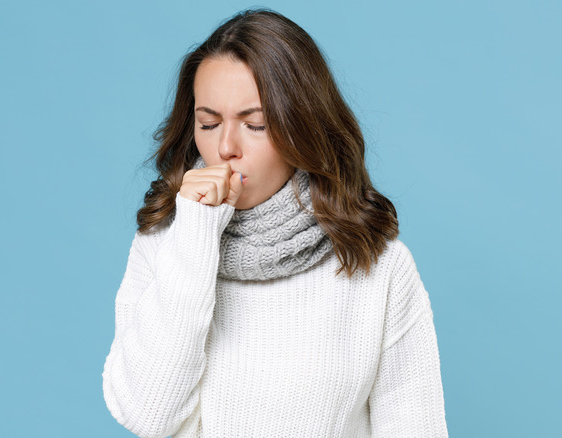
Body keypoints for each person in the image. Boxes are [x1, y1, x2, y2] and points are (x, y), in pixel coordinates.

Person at [102, 8, 448, 437]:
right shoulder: (162, 245)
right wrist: (195, 235)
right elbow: (150, 417)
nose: (226, 146)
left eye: (256, 124)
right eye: (208, 124)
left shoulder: (378, 265)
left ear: (302, 127)